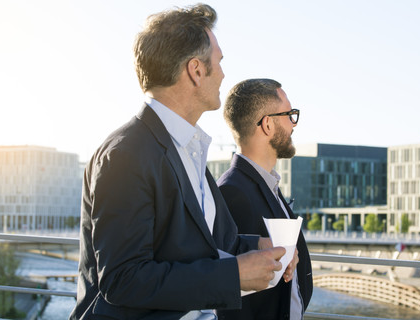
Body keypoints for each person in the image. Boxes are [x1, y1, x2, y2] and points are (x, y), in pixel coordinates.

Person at [69, 5, 287, 320]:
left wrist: (260, 250)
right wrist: (233, 275)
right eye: (219, 62)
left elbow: (208, 245)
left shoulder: (190, 149)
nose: (224, 73)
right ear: (196, 70)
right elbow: (122, 280)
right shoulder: (125, 154)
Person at [217, 78, 313, 320]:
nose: (293, 124)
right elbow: (235, 304)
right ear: (268, 124)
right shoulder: (233, 192)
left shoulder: (266, 185)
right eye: (289, 115)